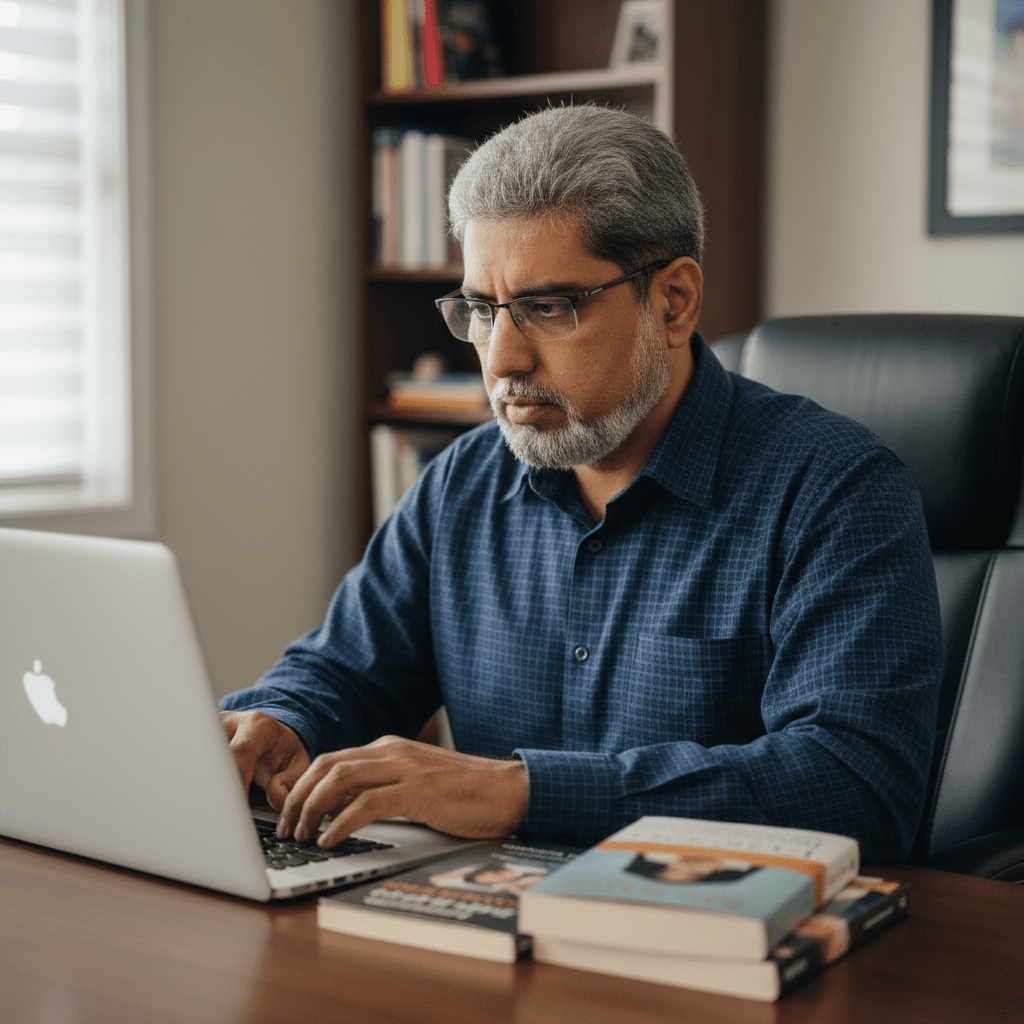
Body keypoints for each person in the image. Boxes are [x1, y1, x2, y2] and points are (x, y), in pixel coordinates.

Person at [220, 104, 943, 863]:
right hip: (490, 930)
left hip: (717, 945)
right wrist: (281, 720)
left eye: (546, 307)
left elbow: (857, 784)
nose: (501, 360)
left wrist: (514, 792)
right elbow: (346, 669)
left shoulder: (834, 490)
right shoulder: (463, 483)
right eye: (479, 310)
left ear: (673, 301)